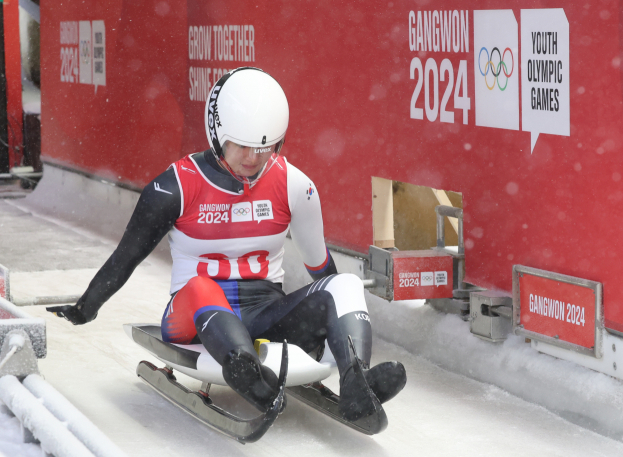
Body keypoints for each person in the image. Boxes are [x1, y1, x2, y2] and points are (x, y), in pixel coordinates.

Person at [48, 67, 406, 422]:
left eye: (263, 148)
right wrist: (86, 308)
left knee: (345, 283)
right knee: (202, 287)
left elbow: (320, 269)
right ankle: (246, 372)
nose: (252, 158)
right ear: (219, 134)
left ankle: (357, 383)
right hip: (193, 315)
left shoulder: (296, 185)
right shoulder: (175, 187)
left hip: (266, 312)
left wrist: (329, 339)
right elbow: (126, 258)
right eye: (242, 146)